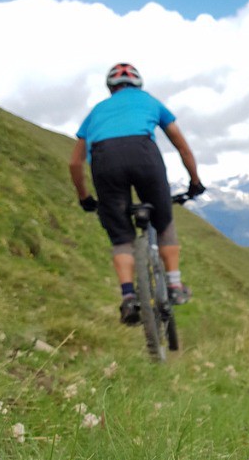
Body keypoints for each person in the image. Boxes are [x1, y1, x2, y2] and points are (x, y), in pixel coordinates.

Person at [69, 62, 205, 324]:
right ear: (138, 84)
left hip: (104, 160)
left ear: (111, 88)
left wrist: (84, 197)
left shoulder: (96, 111)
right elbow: (183, 147)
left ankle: (129, 297)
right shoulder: (150, 101)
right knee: (163, 221)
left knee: (121, 237)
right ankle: (175, 287)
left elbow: (74, 163)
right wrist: (195, 181)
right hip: (144, 156)